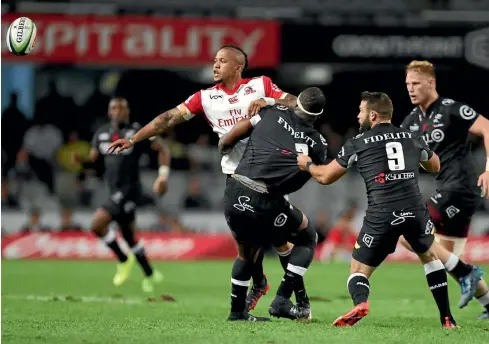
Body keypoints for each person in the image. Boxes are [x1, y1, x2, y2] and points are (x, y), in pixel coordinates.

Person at [107, 45, 298, 311]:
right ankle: (260, 283)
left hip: (270, 174)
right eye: (214, 61)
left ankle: (296, 298)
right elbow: (168, 118)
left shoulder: (260, 85)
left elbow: (296, 103)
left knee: (279, 239)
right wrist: (132, 139)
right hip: (236, 177)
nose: (215, 65)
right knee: (244, 242)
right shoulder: (205, 97)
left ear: (237, 67)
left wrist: (269, 101)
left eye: (221, 61)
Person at [298, 91, 457, 328]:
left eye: (361, 111)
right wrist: (416, 156)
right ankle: (447, 319)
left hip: (381, 214)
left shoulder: (358, 142)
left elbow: (325, 177)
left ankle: (361, 303)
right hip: (415, 210)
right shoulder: (410, 137)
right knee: (430, 258)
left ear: (372, 115)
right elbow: (434, 165)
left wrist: (307, 164)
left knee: (358, 270)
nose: (358, 115)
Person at [219, 87, 328, 321]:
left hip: (234, 190)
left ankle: (237, 312)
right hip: (266, 200)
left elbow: (231, 137)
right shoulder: (318, 143)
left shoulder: (273, 111)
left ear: (295, 103)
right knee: (307, 236)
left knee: (245, 254)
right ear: (318, 116)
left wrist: (223, 146)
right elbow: (309, 176)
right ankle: (281, 299)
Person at [400, 60, 489, 318]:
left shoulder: (451, 109)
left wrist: (488, 168)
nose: (411, 89)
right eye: (407, 84)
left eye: (416, 83)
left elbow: (486, 126)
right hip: (447, 187)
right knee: (445, 258)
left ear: (431, 83)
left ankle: (468, 274)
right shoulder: (411, 120)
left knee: (410, 232)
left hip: (461, 187)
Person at [73, 97, 170, 293]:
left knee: (97, 225)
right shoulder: (101, 134)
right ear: (109, 112)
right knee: (128, 236)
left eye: (122, 108)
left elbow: (163, 149)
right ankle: (150, 274)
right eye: (114, 108)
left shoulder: (137, 131)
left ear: (128, 111)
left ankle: (123, 259)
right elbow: (94, 160)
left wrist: (162, 176)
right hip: (112, 189)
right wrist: (82, 161)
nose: (118, 111)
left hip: (129, 190)